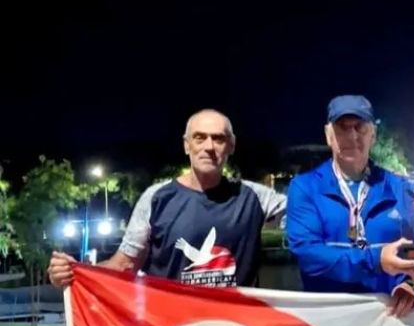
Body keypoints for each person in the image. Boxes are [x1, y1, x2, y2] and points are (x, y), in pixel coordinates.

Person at [48, 109, 286, 289]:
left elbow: (314, 209)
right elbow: (124, 266)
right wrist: (74, 272)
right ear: (186, 145)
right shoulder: (156, 199)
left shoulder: (256, 197)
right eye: (199, 138)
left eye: (219, 138)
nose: (209, 147)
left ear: (231, 146)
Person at [284, 95, 414, 317]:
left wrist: (411, 283)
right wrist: (376, 260)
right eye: (342, 128)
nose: (352, 136)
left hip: (390, 319)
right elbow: (308, 255)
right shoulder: (304, 187)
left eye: (360, 127)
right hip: (328, 322)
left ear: (373, 135)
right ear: (328, 135)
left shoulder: (400, 187)